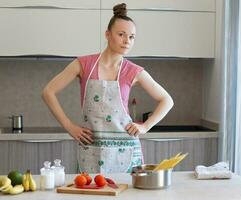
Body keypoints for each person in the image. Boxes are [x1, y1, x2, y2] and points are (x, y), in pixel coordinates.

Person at [42, 3, 173, 174]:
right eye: (121, 35)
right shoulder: (83, 64)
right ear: (107, 34)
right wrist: (69, 126)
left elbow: (167, 100)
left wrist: (145, 126)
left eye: (132, 37)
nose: (127, 41)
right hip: (91, 150)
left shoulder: (134, 71)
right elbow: (48, 92)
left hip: (126, 150)